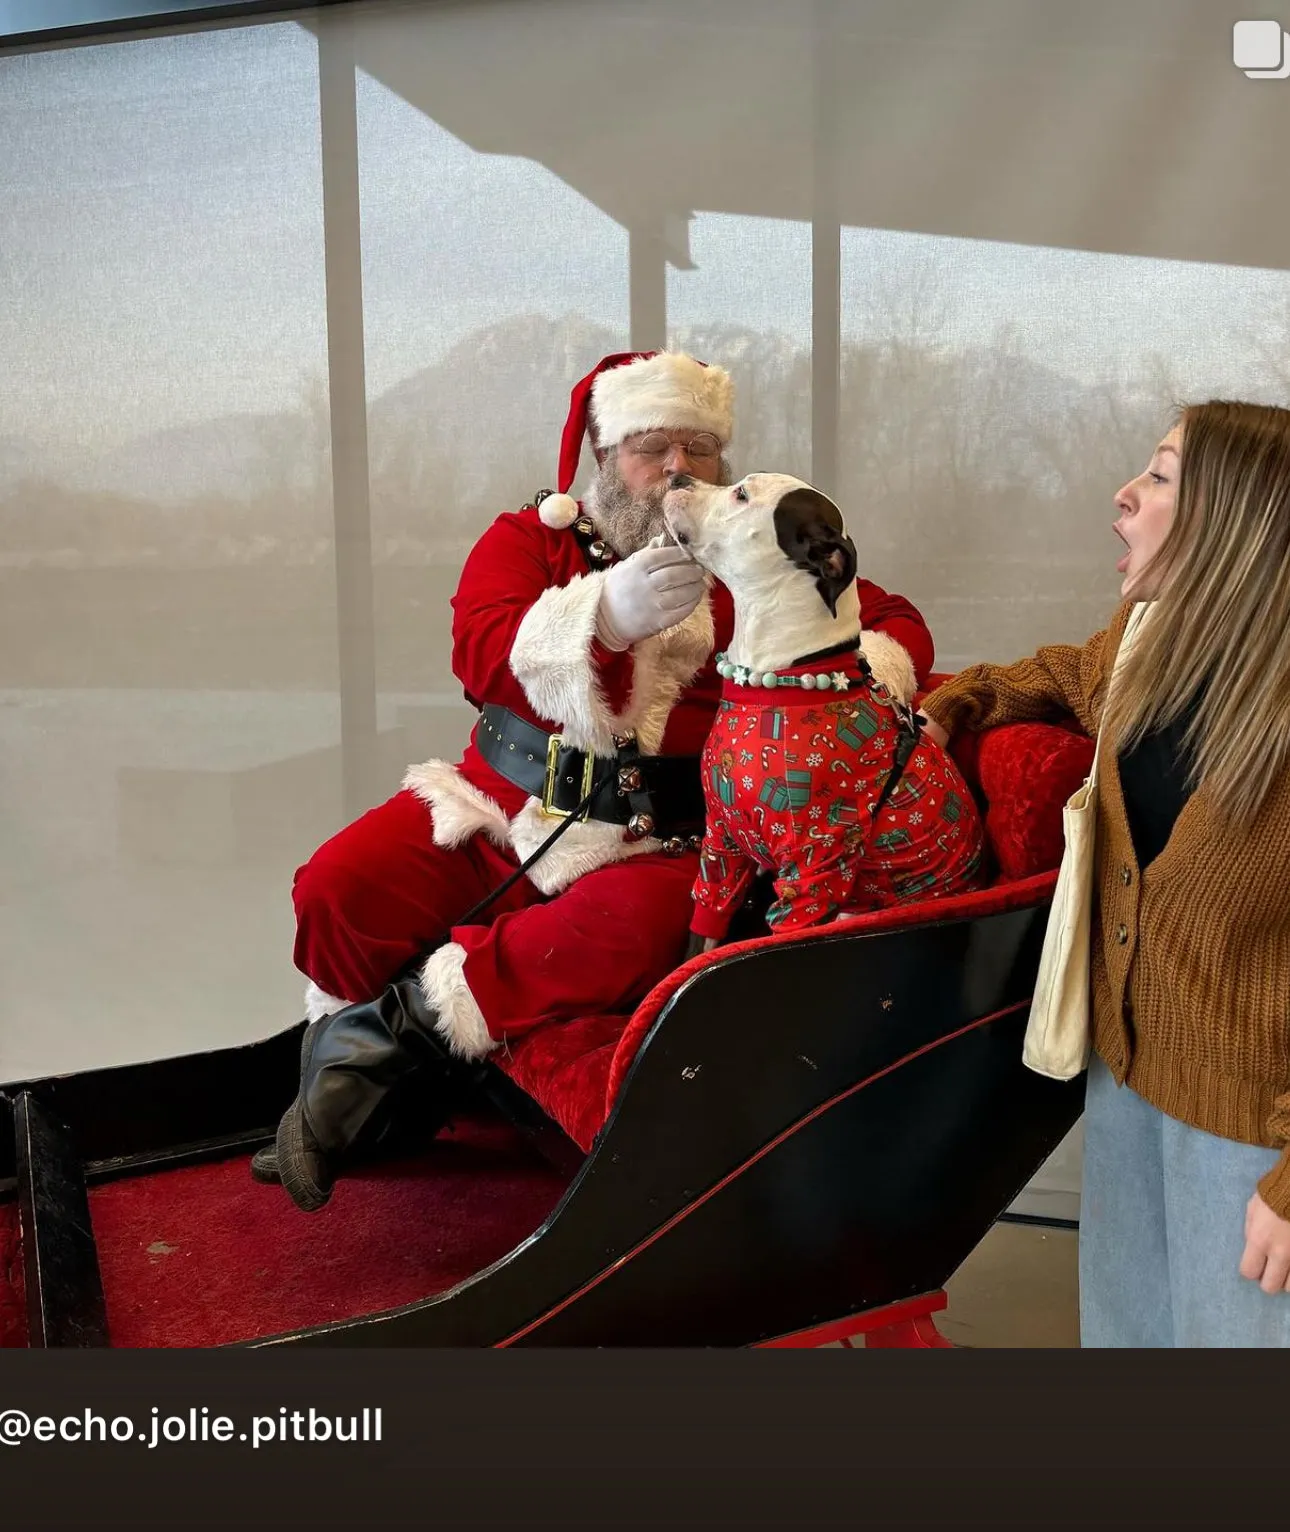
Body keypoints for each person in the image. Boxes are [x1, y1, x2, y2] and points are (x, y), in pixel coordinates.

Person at [262, 349, 935, 1212]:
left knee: (635, 922)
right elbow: (480, 653)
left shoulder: (749, 561)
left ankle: (359, 1073)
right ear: (604, 456)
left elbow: (890, 621)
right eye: (652, 446)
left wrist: (841, 691)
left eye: (698, 448)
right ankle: (382, 1108)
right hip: (501, 805)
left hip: (655, 837)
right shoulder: (527, 541)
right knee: (340, 886)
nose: (678, 469)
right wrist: (604, 616)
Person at [920, 400, 1290, 1346]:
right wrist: (950, 703)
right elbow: (1049, 674)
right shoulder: (1144, 648)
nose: (1123, 496)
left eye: (1160, 477)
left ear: (1236, 523)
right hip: (1126, 1082)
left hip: (1258, 1133)